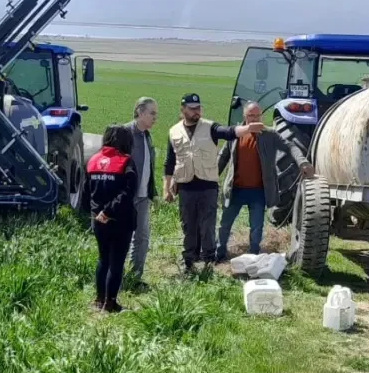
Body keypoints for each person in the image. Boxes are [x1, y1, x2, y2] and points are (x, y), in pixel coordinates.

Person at [163, 93, 264, 272]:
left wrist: (248, 128)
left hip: (207, 187)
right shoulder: (173, 131)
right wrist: (167, 188)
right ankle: (189, 261)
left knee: (207, 225)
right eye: (192, 109)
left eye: (198, 108)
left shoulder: (210, 127)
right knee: (188, 225)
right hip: (185, 187)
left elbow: (230, 132)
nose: (196, 112)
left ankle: (208, 261)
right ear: (183, 110)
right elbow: (170, 162)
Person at [216, 102, 315, 259]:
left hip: (258, 191)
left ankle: (254, 256)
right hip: (236, 189)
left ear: (261, 116)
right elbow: (223, 157)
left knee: (256, 227)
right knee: (225, 224)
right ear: (244, 116)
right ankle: (219, 254)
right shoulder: (236, 134)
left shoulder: (270, 135)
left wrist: (302, 161)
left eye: (257, 115)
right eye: (251, 116)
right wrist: (212, 176)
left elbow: (290, 146)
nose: (254, 119)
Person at [80, 124, 139, 313]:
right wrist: (109, 212)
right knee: (116, 262)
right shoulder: (126, 162)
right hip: (120, 220)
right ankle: (111, 303)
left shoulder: (93, 160)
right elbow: (129, 192)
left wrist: (98, 212)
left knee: (103, 259)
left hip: (98, 220)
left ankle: (98, 300)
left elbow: (87, 191)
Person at [125, 97, 158, 281]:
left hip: (143, 195)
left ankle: (135, 277)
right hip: (126, 197)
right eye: (152, 113)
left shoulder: (147, 136)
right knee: (123, 237)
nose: (155, 118)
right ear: (140, 112)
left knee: (142, 237)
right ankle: (118, 279)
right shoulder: (125, 133)